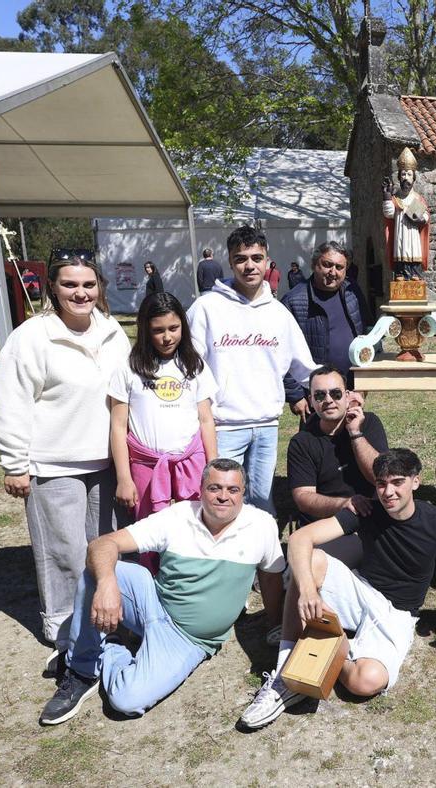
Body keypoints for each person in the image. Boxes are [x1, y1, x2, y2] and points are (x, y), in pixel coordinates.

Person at [239, 449, 436, 729]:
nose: (388, 492)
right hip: (360, 591)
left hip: (398, 614)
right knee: (313, 561)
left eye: (397, 482)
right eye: (381, 484)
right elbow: (299, 539)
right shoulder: (367, 509)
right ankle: (285, 672)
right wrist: (307, 589)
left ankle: (333, 645)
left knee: (364, 682)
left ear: (416, 482)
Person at [38, 459, 286, 725]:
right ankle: (81, 671)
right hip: (153, 604)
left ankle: (110, 646)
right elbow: (103, 544)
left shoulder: (261, 525)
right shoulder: (178, 516)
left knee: (126, 701)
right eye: (214, 488)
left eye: (232, 490)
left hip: (186, 640)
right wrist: (108, 583)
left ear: (243, 493)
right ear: (200, 490)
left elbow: (271, 579)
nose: (223, 496)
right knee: (98, 571)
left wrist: (276, 624)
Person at [0, 254, 131, 656]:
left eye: (88, 284)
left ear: (99, 287)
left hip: (105, 462)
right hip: (54, 464)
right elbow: (11, 401)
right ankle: (65, 630)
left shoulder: (111, 330)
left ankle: (108, 617)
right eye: (70, 285)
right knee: (63, 552)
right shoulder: (32, 337)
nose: (80, 293)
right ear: (53, 287)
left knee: (104, 547)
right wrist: (15, 464)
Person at [186, 225, 317, 513]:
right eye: (241, 258)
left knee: (261, 501)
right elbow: (189, 367)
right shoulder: (206, 308)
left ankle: (264, 558)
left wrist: (341, 392)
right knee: (223, 503)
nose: (249, 266)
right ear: (230, 262)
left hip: (267, 426)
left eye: (256, 258)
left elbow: (305, 369)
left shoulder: (278, 314)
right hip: (224, 425)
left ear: (267, 260)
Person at [109, 292, 218, 574]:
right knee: (150, 534)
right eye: (157, 330)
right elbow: (119, 426)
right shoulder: (128, 368)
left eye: (173, 328)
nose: (167, 337)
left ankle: (194, 588)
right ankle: (154, 589)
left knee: (195, 529)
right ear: (145, 330)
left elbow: (206, 419)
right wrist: (123, 477)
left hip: (190, 463)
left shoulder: (194, 366)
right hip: (146, 465)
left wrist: (214, 467)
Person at [287, 365, 389, 567]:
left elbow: (381, 477)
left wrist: (355, 433)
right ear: (311, 401)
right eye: (319, 395)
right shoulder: (302, 442)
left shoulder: (369, 424)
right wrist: (344, 504)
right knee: (316, 568)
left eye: (335, 393)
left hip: (369, 520)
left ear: (347, 396)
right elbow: (303, 498)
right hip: (327, 525)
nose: (328, 401)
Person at [280, 241, 373, 392]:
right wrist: (295, 395)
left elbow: (367, 330)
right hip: (316, 390)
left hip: (352, 386)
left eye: (339, 267)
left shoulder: (352, 291)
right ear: (314, 264)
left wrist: (365, 376)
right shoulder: (293, 301)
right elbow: (282, 351)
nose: (333, 272)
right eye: (327, 264)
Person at [381, 147, 430, 281]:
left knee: (414, 250)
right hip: (400, 232)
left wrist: (421, 219)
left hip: (413, 233)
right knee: (400, 249)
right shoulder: (395, 198)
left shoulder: (418, 199)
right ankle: (400, 272)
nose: (406, 178)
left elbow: (426, 215)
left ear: (414, 177)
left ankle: (415, 272)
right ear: (399, 177)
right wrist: (386, 196)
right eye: (403, 174)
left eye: (409, 174)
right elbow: (389, 214)